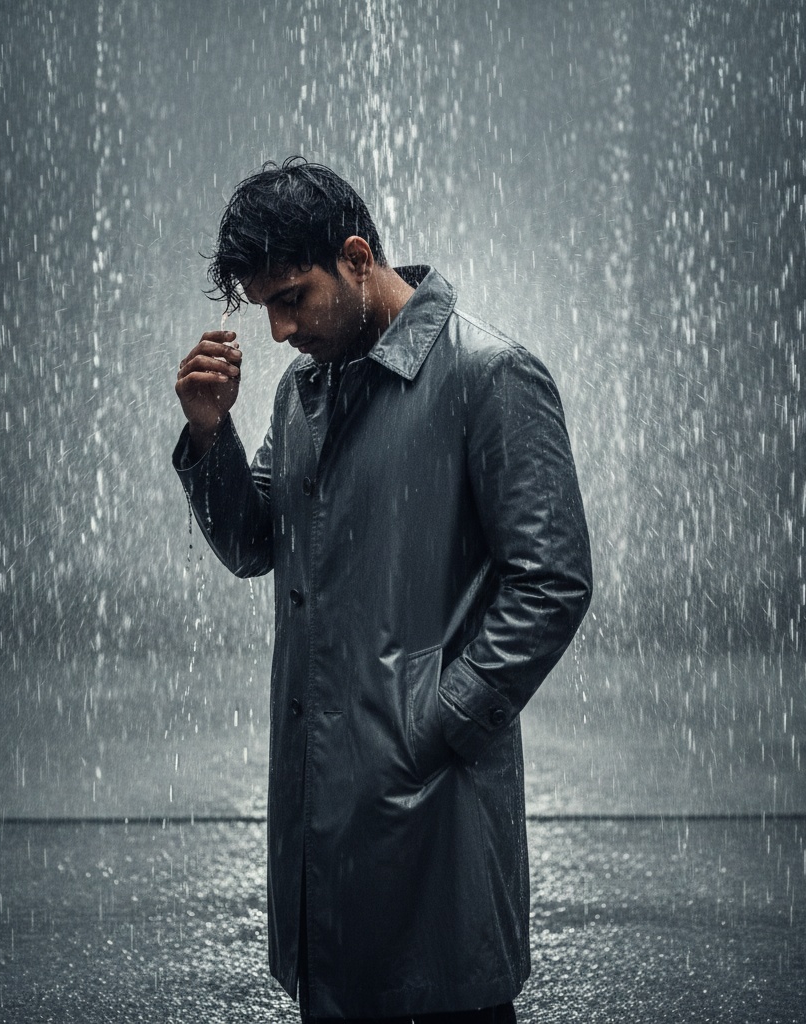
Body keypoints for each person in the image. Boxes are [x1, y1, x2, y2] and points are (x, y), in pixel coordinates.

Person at [173, 157, 592, 1023]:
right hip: (323, 809)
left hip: (430, 803)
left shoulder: (491, 375)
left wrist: (432, 726)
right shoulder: (303, 391)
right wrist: (210, 436)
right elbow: (257, 545)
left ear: (357, 257)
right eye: (266, 310)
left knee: (443, 994)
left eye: (293, 297)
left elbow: (551, 582)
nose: (281, 331)